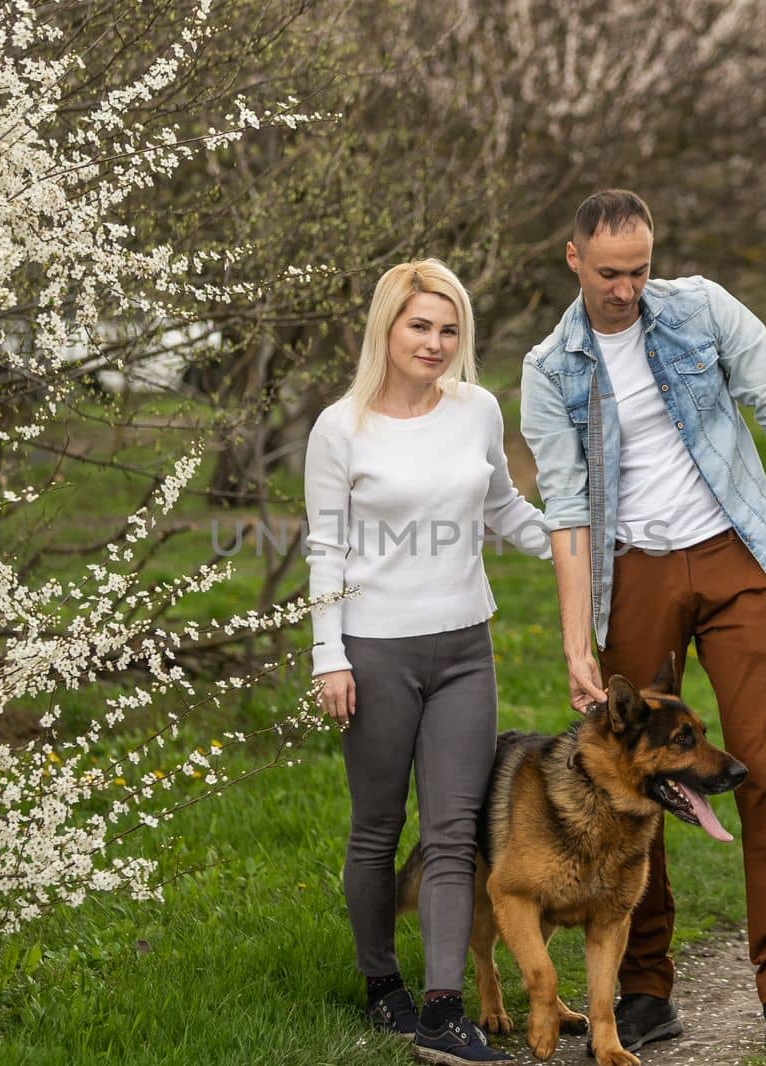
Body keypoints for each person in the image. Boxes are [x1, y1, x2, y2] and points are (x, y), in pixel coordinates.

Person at [518, 189, 766, 1065]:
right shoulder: (552, 368)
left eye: (640, 269)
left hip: (732, 558)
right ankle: (646, 990)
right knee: (637, 782)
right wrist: (577, 640)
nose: (626, 288)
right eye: (609, 272)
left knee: (763, 769)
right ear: (573, 259)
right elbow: (568, 510)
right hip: (633, 576)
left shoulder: (702, 309)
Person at [305, 258, 549, 1065]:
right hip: (374, 653)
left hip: (463, 649)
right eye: (421, 326)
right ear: (387, 327)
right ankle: (384, 988)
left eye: (449, 330)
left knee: (452, 833)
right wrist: (327, 656)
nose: (436, 343)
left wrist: (572, 545)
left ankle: (445, 1011)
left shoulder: (476, 410)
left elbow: (503, 507)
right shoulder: (340, 428)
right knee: (377, 830)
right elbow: (326, 548)